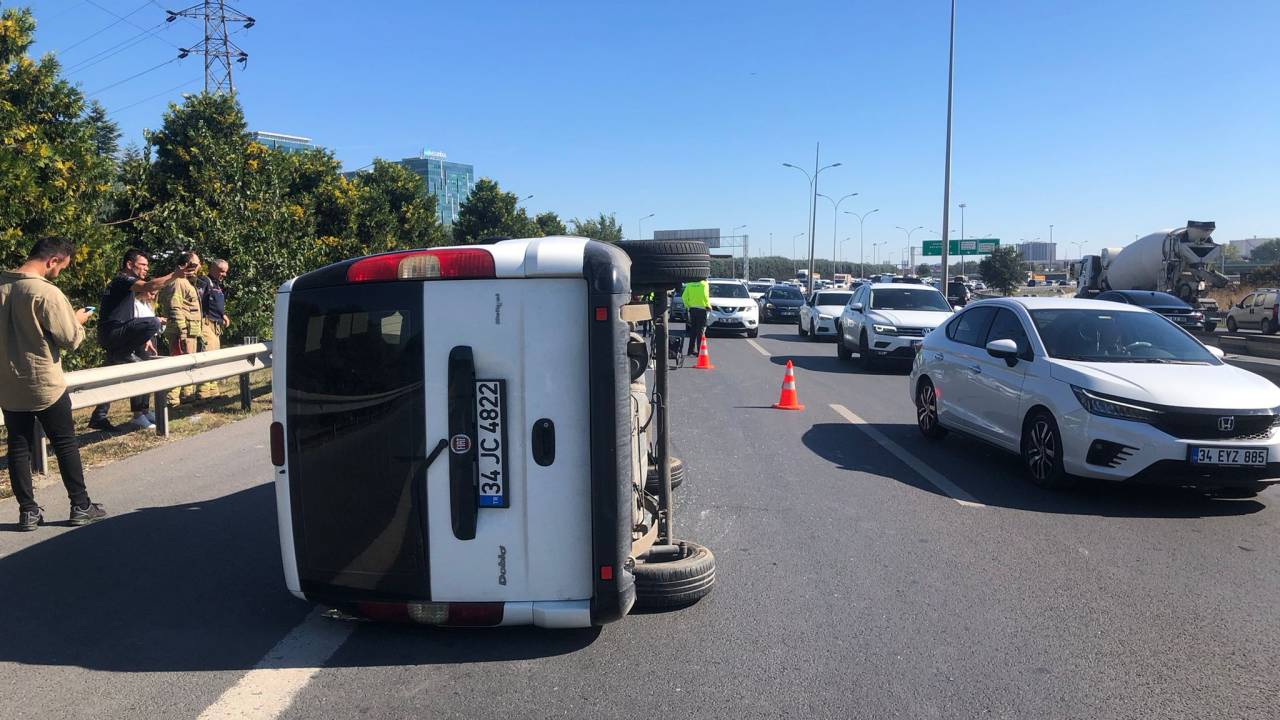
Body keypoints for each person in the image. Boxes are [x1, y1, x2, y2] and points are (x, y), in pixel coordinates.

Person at [0, 237, 105, 530]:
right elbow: (69, 339)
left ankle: (28, 512)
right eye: (61, 267)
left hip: (8, 382)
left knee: (18, 447)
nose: (59, 273)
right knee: (65, 443)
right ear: (52, 261)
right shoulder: (45, 292)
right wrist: (78, 320)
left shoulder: (2, 285)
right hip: (44, 381)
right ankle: (80, 505)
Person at [88, 248, 178, 431]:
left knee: (111, 376)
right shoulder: (123, 279)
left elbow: (128, 317)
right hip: (113, 334)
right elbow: (148, 286)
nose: (146, 269)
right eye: (142, 265)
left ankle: (99, 416)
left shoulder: (124, 285)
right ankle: (138, 413)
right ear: (129, 265)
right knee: (153, 324)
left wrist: (141, 337)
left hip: (115, 335)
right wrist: (175, 275)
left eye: (147, 266)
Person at [158, 252, 202, 407]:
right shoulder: (177, 282)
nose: (199, 267)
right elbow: (174, 306)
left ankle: (186, 395)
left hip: (190, 331)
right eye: (196, 264)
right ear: (186, 265)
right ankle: (171, 399)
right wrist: (182, 330)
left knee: (189, 364)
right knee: (180, 364)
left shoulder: (187, 282)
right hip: (182, 331)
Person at [194, 259, 229, 397]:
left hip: (216, 326)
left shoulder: (217, 285)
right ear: (212, 269)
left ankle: (213, 392)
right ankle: (203, 393)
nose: (224, 274)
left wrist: (223, 315)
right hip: (206, 324)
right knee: (207, 358)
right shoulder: (204, 282)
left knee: (215, 359)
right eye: (221, 271)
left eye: (225, 271)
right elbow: (199, 303)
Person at [681, 279, 710, 355]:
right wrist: (708, 306)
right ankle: (700, 351)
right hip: (702, 309)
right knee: (700, 331)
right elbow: (705, 295)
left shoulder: (690, 284)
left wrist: (688, 306)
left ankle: (690, 350)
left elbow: (684, 297)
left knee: (693, 330)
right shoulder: (704, 284)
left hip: (693, 309)